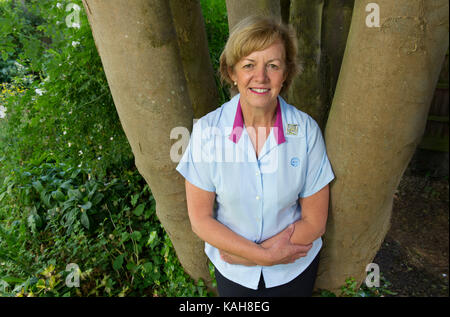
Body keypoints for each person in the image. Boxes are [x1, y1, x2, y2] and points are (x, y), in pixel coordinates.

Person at [176, 15, 334, 297]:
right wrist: (262, 256)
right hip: (233, 271)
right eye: (249, 65)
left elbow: (314, 221)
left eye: (272, 66)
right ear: (232, 72)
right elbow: (200, 219)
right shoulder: (207, 132)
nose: (260, 77)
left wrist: (256, 256)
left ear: (285, 74)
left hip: (293, 268)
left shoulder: (306, 131)